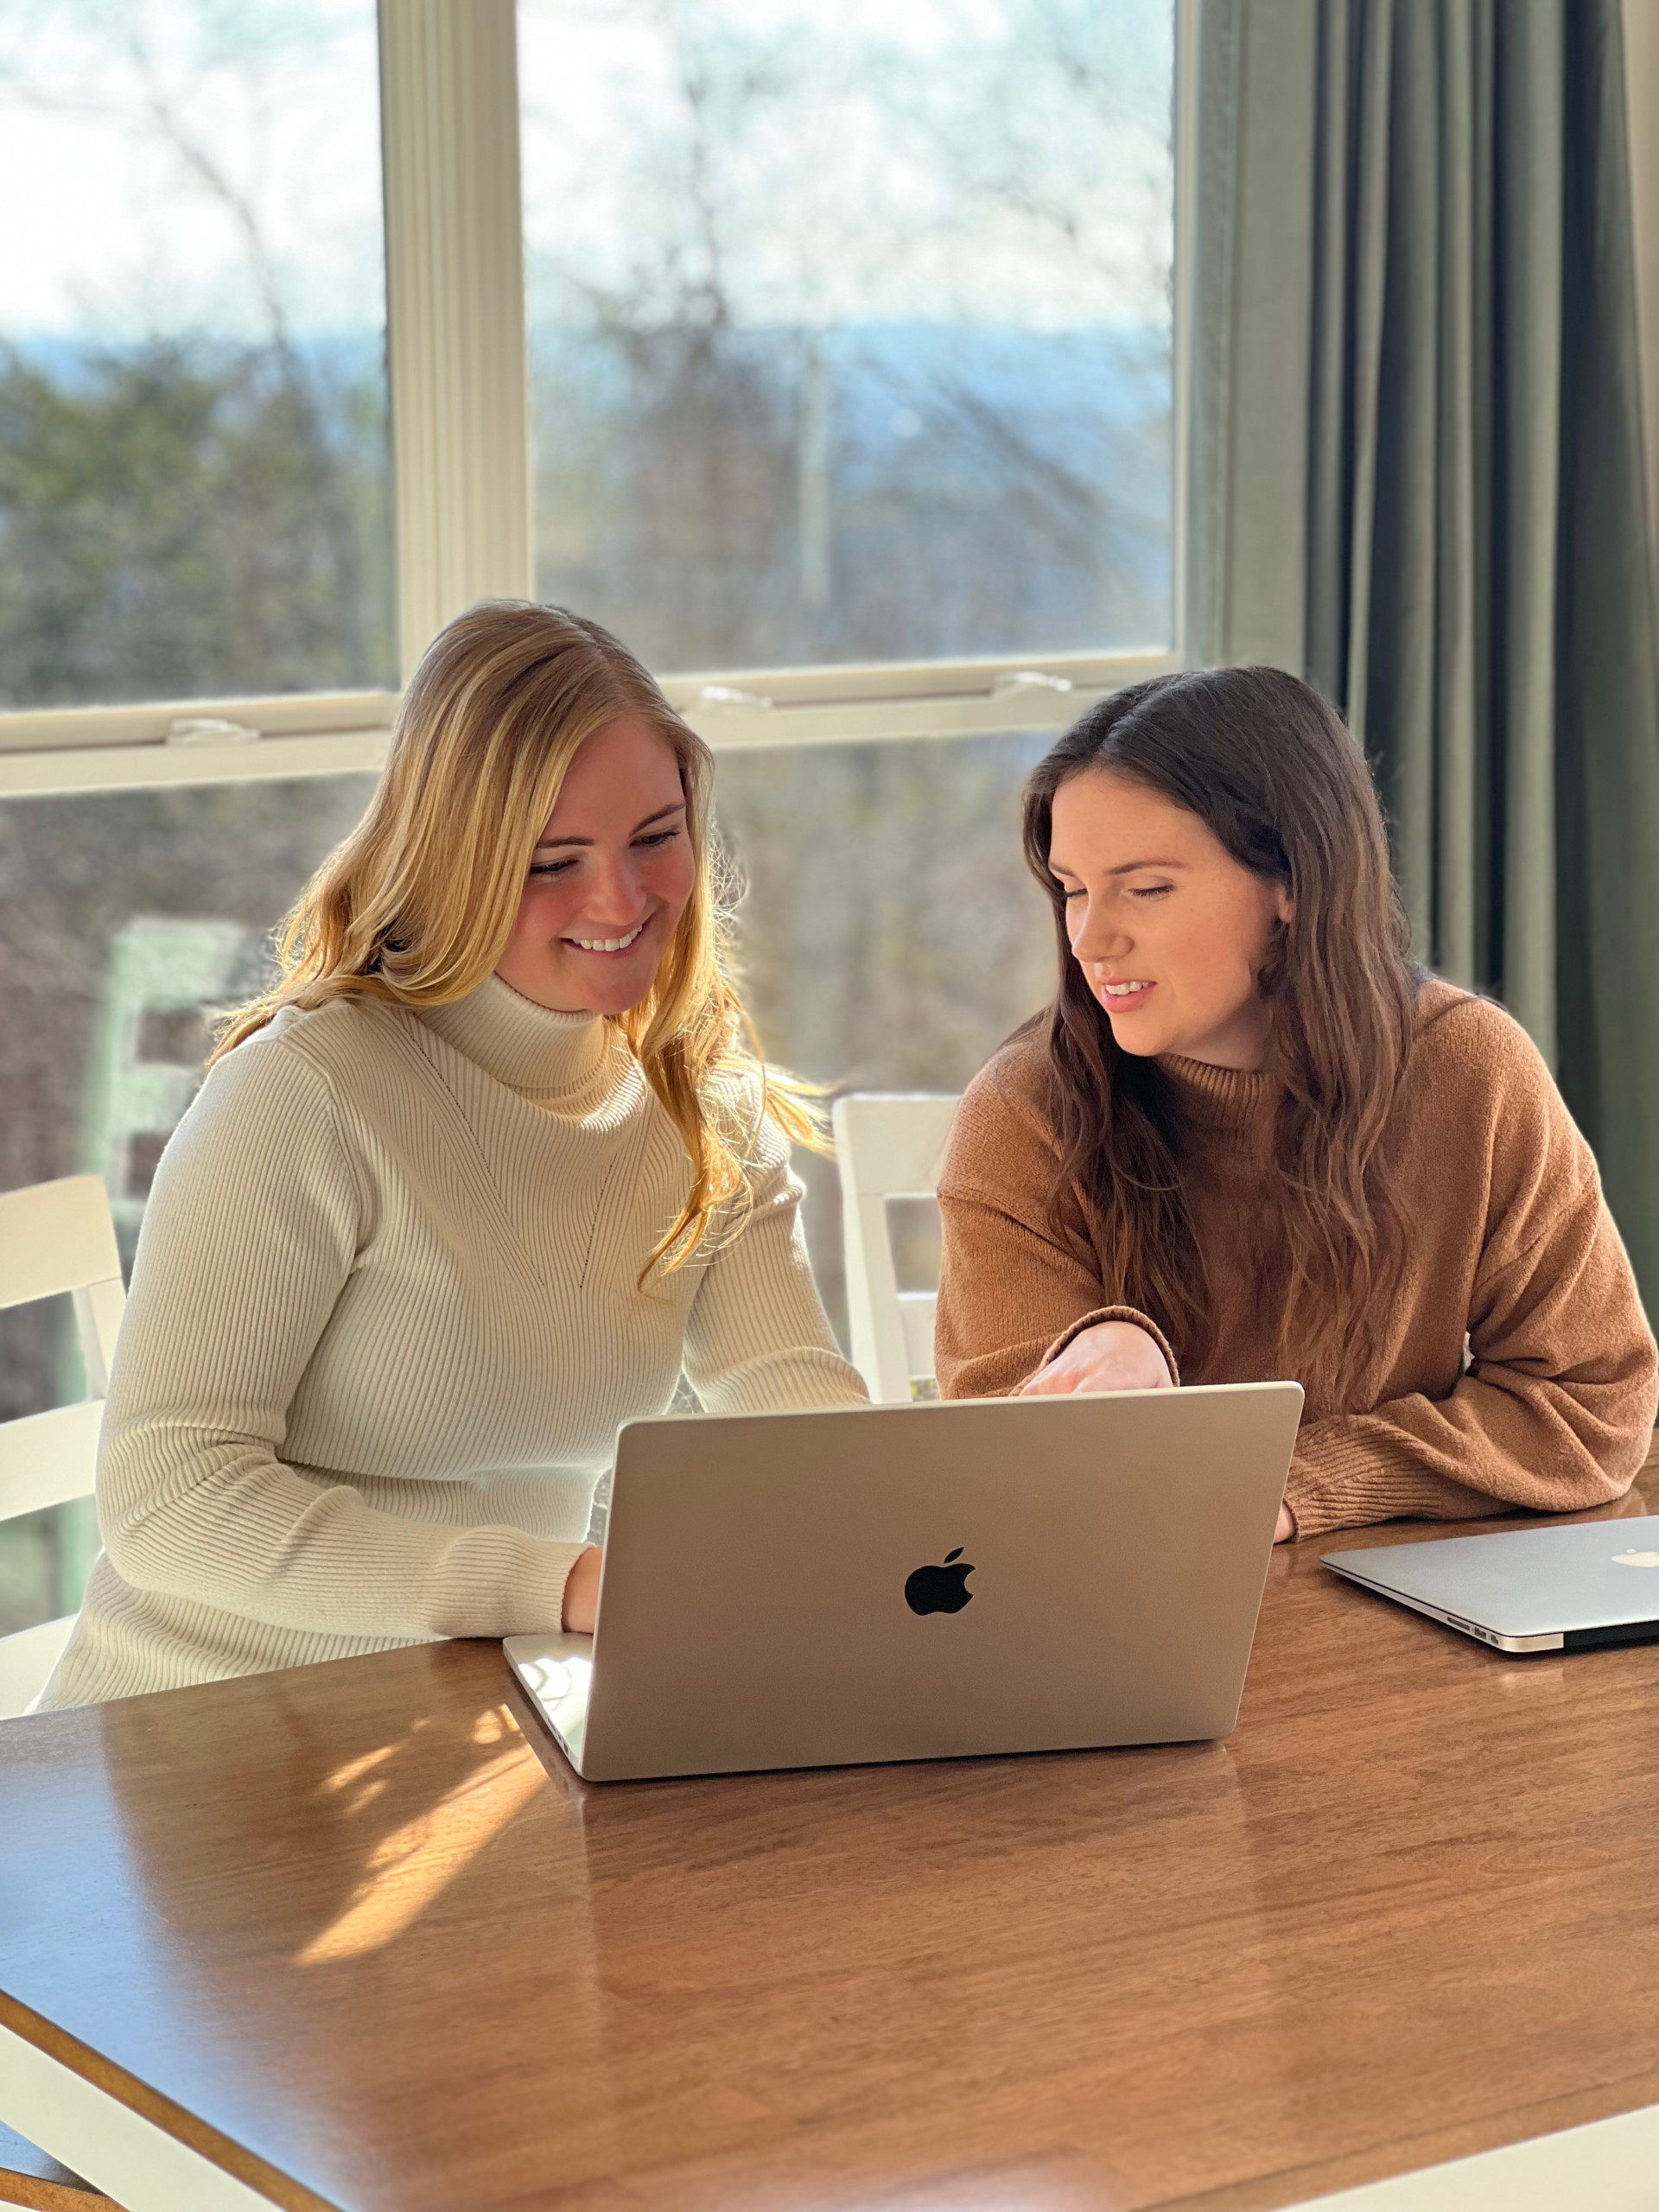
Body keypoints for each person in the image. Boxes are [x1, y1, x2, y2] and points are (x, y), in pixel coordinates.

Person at [40, 602, 865, 1708]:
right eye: (551, 863)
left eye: (655, 837)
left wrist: (914, 1524)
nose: (621, 901)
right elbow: (168, 1501)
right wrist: (558, 1583)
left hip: (468, 1722)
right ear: (453, 866)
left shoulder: (702, 1103)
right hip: (194, 1721)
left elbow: (788, 1403)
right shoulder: (306, 1092)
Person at [934, 665, 1657, 1541]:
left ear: (1292, 883)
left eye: (1147, 888)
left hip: (1391, 1596)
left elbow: (1594, 1403)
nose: (1089, 939)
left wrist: (1298, 1484)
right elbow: (1010, 1481)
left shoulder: (1469, 1071)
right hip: (1136, 1609)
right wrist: (1112, 1356)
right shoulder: (1021, 1114)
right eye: (1072, 890)